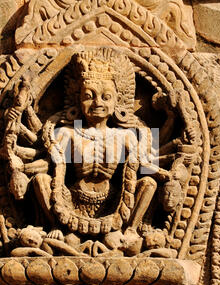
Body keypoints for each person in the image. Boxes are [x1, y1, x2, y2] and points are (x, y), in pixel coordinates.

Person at [33, 48, 171, 244]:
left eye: (106, 97)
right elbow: (50, 165)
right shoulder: (67, 133)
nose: (97, 102)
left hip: (114, 203)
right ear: (77, 100)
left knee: (149, 184)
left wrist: (165, 174)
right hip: (73, 202)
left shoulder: (126, 136)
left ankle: (131, 229)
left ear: (118, 101)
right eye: (89, 96)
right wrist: (21, 167)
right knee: (40, 180)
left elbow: (144, 165)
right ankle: (55, 225)